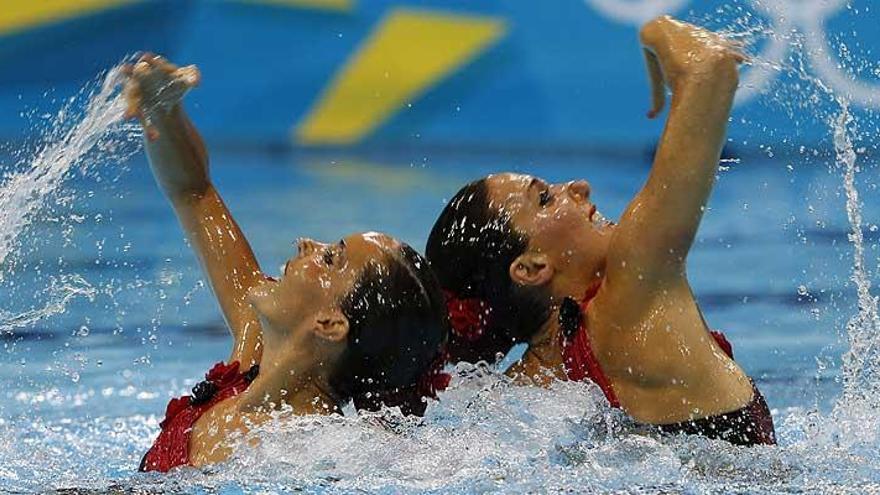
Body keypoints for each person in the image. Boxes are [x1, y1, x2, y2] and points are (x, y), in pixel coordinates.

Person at [427, 16, 775, 446]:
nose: (577, 186)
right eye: (545, 198)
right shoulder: (633, 293)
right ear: (532, 267)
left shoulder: (519, 390)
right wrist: (654, 30)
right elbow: (712, 66)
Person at [124, 54, 449, 472]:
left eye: (329, 258)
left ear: (330, 324)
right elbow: (194, 192)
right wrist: (164, 113)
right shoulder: (249, 357)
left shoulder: (310, 457)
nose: (305, 244)